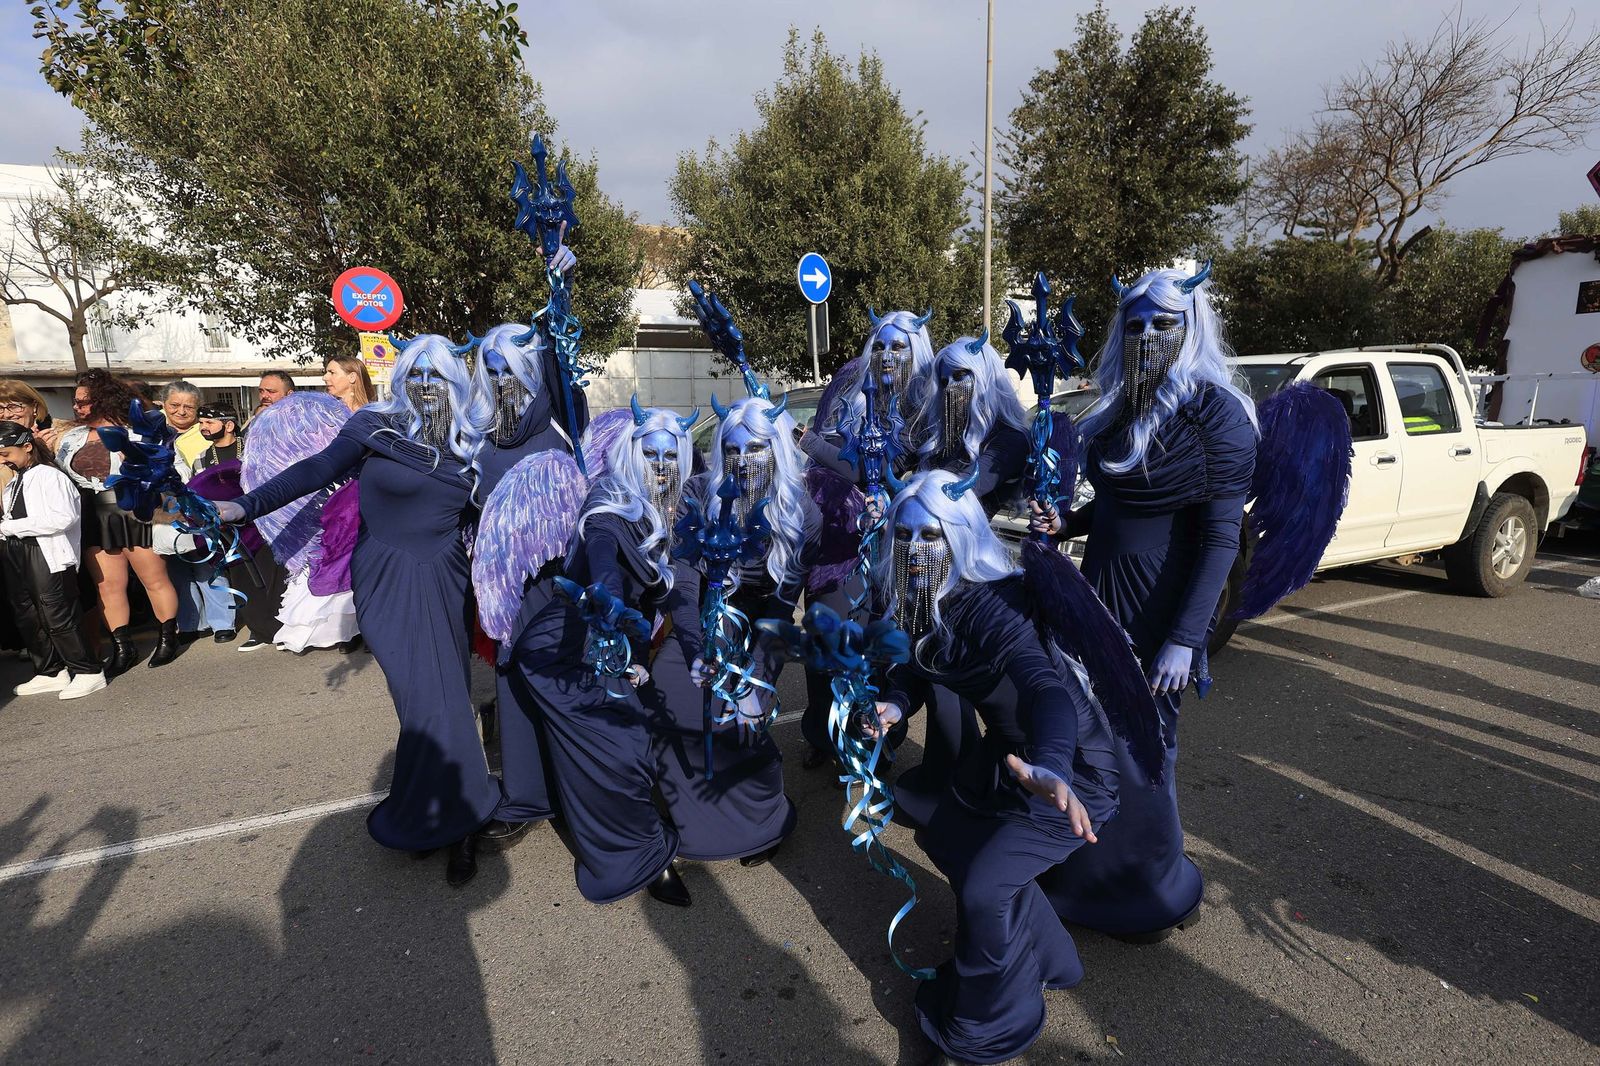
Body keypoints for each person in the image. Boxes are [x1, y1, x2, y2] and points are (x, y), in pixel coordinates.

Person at [1029, 264, 1257, 941]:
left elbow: (1222, 540)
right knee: (1093, 742)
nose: (1150, 334)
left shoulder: (1218, 415)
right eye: (1137, 324)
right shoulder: (1123, 406)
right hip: (1097, 596)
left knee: (1147, 749)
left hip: (1161, 610)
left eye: (1165, 323)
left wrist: (1187, 638)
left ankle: (1151, 888)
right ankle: (1089, 872)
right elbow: (1114, 506)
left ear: (1193, 330)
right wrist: (1064, 525)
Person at [219, 334, 499, 886]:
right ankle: (436, 812)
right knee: (416, 703)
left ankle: (458, 821)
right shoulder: (373, 426)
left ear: (455, 382)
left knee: (443, 698)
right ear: (399, 379)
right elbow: (316, 470)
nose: (424, 385)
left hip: (445, 579)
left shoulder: (473, 442)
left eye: (436, 375)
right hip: (383, 580)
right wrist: (245, 505)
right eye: (414, 374)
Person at [864, 469, 1118, 1065]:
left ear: (958, 536)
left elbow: (1045, 689)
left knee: (984, 887)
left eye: (931, 537)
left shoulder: (990, 602)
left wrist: (1051, 765)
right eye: (904, 538)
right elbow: (916, 663)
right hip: (1006, 752)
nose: (917, 551)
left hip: (1069, 764)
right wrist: (894, 703)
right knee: (949, 835)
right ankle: (1053, 959)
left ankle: (988, 1028)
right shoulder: (922, 597)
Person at [507, 403, 700, 908]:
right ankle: (638, 858)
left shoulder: (676, 510)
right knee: (623, 749)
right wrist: (609, 599)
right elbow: (603, 559)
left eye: (669, 456)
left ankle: (626, 847)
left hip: (614, 640)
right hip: (566, 647)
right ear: (632, 456)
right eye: (650, 454)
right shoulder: (609, 504)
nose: (660, 465)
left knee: (604, 753)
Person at [643, 394, 816, 868]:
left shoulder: (803, 512)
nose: (742, 460)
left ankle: (764, 821)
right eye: (733, 450)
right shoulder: (699, 493)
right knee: (673, 686)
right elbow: (682, 579)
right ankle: (697, 819)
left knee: (744, 709)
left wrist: (755, 677)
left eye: (755, 448)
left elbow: (784, 603)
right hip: (705, 616)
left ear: (777, 449)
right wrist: (697, 648)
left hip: (765, 623)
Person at [892, 334, 1034, 827]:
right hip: (928, 566)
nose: (952, 386)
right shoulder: (939, 441)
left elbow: (970, 492)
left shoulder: (1004, 439)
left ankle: (960, 783)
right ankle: (944, 771)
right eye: (945, 376)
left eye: (963, 376)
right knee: (931, 672)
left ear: (987, 379)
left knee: (962, 681)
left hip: (980, 574)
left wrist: (915, 489)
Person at [794, 309, 938, 769]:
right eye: (881, 344)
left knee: (882, 640)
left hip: (894, 539)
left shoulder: (927, 400)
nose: (888, 355)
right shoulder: (850, 380)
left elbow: (890, 473)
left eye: (899, 346)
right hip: (838, 537)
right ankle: (824, 734)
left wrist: (813, 445)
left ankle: (873, 740)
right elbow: (829, 457)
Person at [470, 309, 587, 849]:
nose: (501, 381)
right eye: (491, 371)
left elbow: (566, 371)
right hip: (504, 589)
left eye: (510, 370)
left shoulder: (560, 419)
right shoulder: (480, 435)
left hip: (559, 582)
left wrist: (558, 292)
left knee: (564, 687)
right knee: (512, 684)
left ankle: (576, 794)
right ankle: (524, 797)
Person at [54, 369, 185, 673]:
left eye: (83, 402)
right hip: (91, 512)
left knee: (153, 578)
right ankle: (122, 648)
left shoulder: (136, 431)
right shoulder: (71, 436)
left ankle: (168, 638)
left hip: (134, 508)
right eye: (75, 402)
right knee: (108, 585)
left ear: (102, 400)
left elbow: (167, 468)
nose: (76, 407)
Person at [1, 420, 107, 700]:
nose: (4, 461)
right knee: (28, 615)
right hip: (17, 551)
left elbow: (62, 518)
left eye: (6, 454)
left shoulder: (50, 476)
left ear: (27, 447)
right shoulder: (16, 481)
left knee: (57, 614)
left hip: (48, 553)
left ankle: (88, 671)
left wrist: (9, 527)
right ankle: (50, 670)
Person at [164, 405, 240, 645]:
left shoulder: (248, 447)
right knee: (179, 568)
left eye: (209, 422)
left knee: (208, 565)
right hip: (176, 510)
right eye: (202, 423)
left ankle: (223, 622)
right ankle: (192, 623)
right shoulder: (201, 456)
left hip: (229, 512)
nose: (203, 427)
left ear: (228, 425)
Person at [161, 381, 208, 469]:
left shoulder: (207, 433)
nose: (181, 412)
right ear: (163, 405)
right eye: (175, 405)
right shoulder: (150, 426)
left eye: (189, 407)